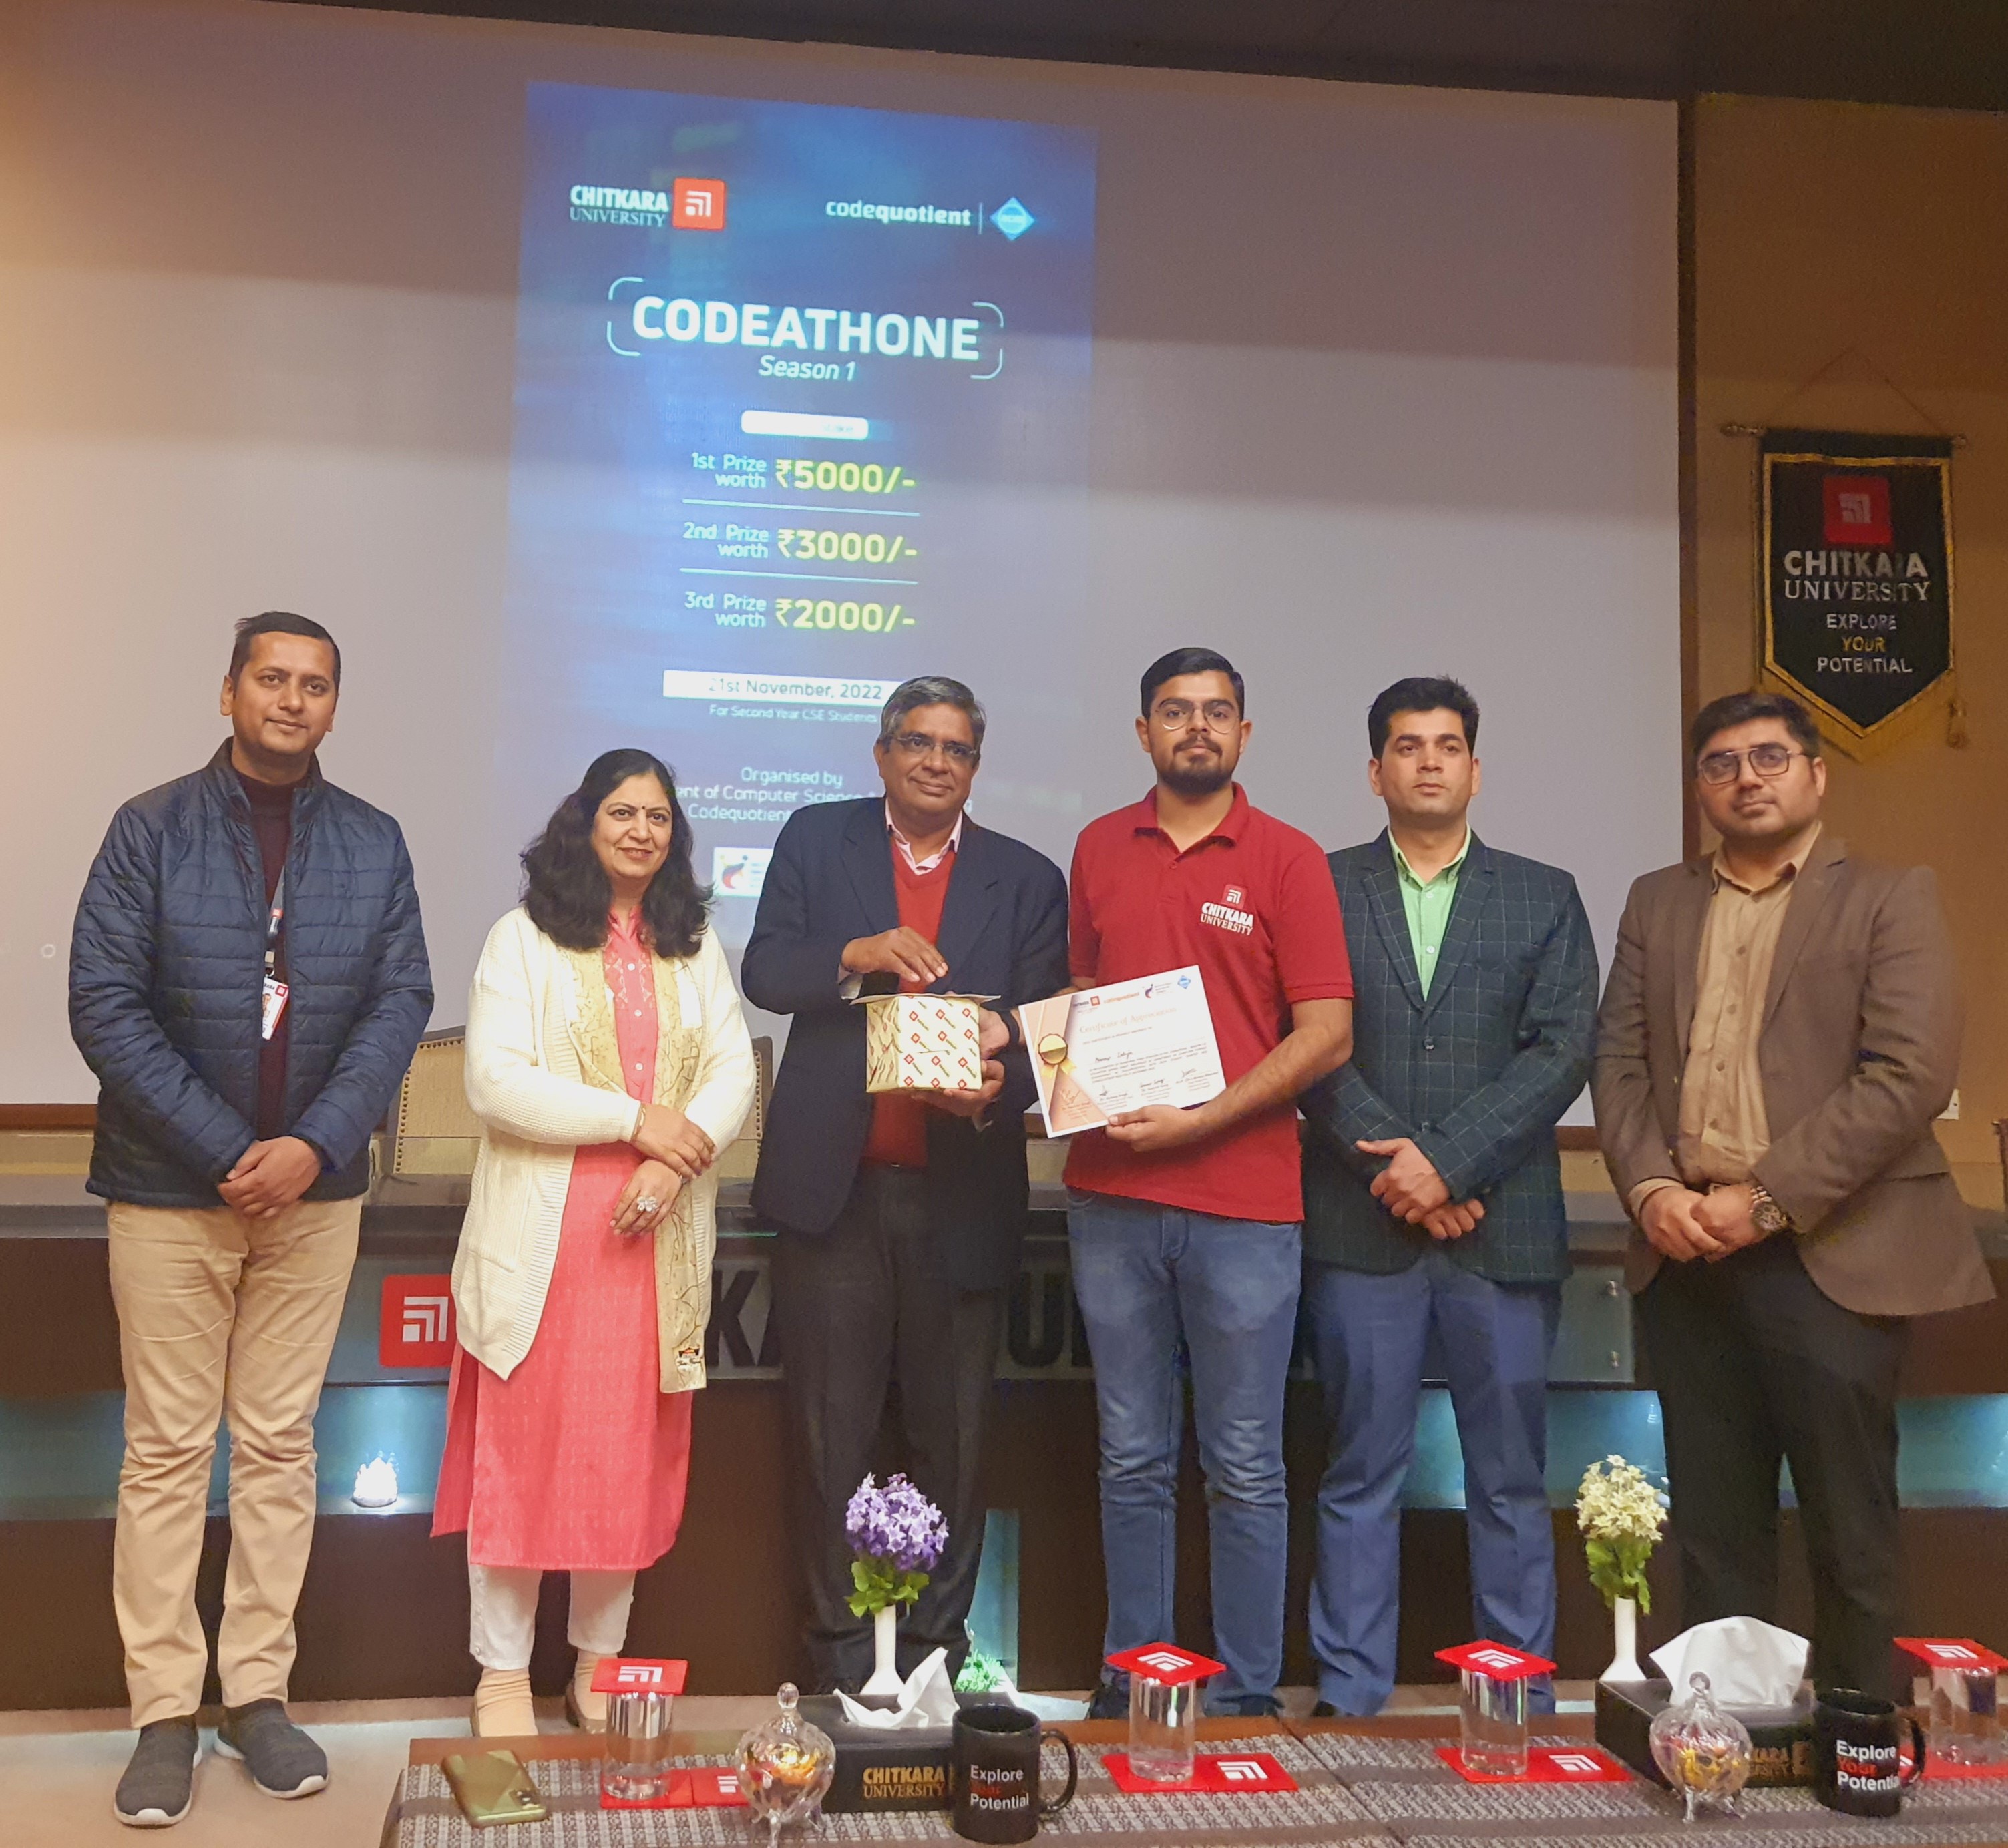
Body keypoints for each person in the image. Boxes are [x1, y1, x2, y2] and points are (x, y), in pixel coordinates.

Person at [69, 612, 432, 1828]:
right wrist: (230, 1151)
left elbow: (400, 1003)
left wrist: (314, 1145)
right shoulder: (150, 828)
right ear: (227, 691)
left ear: (334, 705)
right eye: (271, 678)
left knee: (279, 1448)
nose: (291, 699)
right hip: (170, 1192)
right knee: (168, 1452)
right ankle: (164, 1713)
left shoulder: (373, 841)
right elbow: (104, 1005)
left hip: (314, 1200)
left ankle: (259, 1696)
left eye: (314, 684)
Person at [1594, 689, 1990, 1698]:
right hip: (1687, 1254)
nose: (1746, 779)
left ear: (1816, 774)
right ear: (1700, 788)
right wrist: (1651, 1190)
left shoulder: (1889, 895)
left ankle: (1856, 1746)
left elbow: (1908, 1073)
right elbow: (1620, 1063)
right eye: (1721, 764)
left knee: (1848, 1529)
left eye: (1769, 758)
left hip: (1832, 1255)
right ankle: (1727, 1744)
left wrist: (1764, 1201)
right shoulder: (1656, 900)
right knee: (1715, 1530)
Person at [742, 676, 1068, 1692]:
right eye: (917, 743)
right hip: (833, 1194)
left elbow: (1045, 1031)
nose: (935, 762)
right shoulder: (816, 837)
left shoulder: (1026, 876)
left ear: (976, 766)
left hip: (960, 1194)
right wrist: (856, 954)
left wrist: (996, 1089)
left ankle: (935, 1656)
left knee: (954, 1442)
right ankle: (842, 1660)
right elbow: (764, 972)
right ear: (882, 754)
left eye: (955, 749)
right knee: (828, 1438)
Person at [435, 749, 756, 1736]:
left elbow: (733, 1072)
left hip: (655, 1243)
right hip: (546, 1248)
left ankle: (599, 1666)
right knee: (523, 1458)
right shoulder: (522, 937)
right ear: (584, 822)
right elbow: (494, 1082)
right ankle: (501, 1673)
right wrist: (635, 1123)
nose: (641, 831)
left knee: (622, 1464)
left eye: (658, 817)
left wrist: (672, 1163)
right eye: (622, 812)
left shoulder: (691, 945)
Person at [1299, 677, 1598, 1717]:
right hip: (1363, 1228)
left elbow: (1562, 1050)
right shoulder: (1320, 885)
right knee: (1358, 1474)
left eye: (1447, 745)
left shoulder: (1544, 894)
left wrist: (1448, 1166)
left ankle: (1513, 1701)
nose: (1428, 760)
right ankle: (1351, 1698)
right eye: (1406, 745)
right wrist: (1401, 1175)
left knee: (1510, 1480)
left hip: (1501, 1232)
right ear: (1374, 771)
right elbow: (1303, 1041)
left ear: (1475, 769)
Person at [1066, 647, 1353, 1717]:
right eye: (1176, 711)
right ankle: (1134, 1678)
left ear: (1244, 733)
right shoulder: (1098, 844)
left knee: (1245, 1463)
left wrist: (1204, 1118)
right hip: (1112, 1200)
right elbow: (1085, 992)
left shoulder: (1289, 858)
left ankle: (1241, 1696)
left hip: (1245, 1205)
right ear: (1144, 732)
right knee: (1131, 1457)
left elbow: (1326, 1032)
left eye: (1217, 712)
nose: (1197, 727)